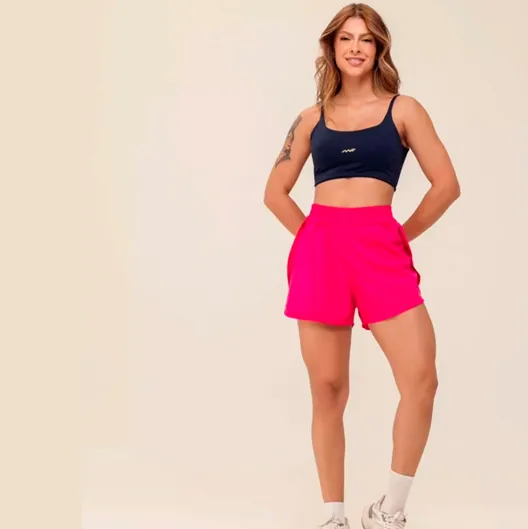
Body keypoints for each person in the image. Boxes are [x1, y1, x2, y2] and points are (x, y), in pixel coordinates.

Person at [263, 3, 460, 529]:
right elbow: (275, 192)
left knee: (421, 379)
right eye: (346, 38)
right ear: (331, 47)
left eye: (366, 39)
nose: (355, 47)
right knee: (328, 389)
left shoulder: (404, 110)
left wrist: (398, 235)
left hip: (379, 249)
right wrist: (314, 239)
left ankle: (389, 510)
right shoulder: (310, 118)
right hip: (321, 252)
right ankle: (334, 516)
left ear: (379, 49)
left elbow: (446, 185)